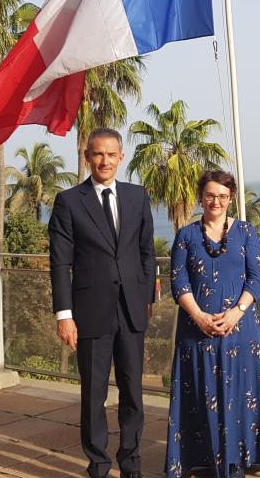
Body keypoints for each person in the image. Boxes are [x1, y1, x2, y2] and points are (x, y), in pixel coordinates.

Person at [165, 170, 260, 478]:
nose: (215, 201)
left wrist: (236, 312)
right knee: (201, 391)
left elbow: (256, 277)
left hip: (240, 330)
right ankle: (203, 460)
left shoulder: (246, 232)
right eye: (210, 195)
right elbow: (179, 281)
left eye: (222, 195)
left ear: (231, 198)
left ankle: (244, 457)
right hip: (197, 330)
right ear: (201, 197)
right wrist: (199, 316)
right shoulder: (186, 235)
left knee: (242, 392)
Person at [49, 128, 156, 478]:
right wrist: (64, 315)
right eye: (97, 154)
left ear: (121, 157)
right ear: (87, 157)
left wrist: (146, 299)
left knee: (132, 393)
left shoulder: (137, 197)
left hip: (131, 312)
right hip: (90, 312)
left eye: (111, 154)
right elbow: (60, 262)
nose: (104, 161)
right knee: (93, 395)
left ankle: (131, 463)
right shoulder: (69, 201)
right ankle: (97, 464)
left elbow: (145, 252)